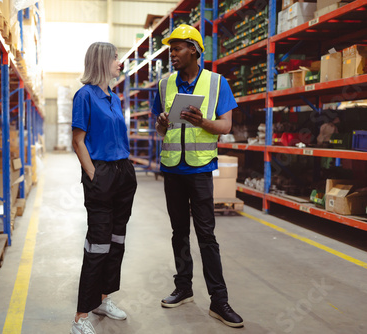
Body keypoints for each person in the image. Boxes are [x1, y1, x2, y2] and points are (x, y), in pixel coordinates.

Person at [152, 24, 244, 328]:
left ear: (194, 50)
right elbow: (159, 129)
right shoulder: (165, 84)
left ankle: (219, 301)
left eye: (177, 49)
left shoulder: (217, 83)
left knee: (206, 236)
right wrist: (163, 122)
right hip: (172, 169)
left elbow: (226, 126)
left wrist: (203, 121)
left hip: (200, 169)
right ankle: (184, 288)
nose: (172, 54)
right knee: (179, 232)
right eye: (170, 49)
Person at [70, 42, 138, 334]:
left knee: (116, 241)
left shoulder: (114, 97)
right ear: (102, 61)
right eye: (115, 58)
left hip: (123, 173)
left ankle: (102, 299)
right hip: (102, 173)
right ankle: (80, 317)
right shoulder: (84, 96)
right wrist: (93, 174)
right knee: (97, 244)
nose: (119, 63)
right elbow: (78, 140)